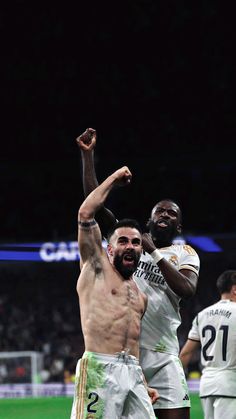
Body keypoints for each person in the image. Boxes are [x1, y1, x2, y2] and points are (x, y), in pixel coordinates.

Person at [76, 128, 201, 419]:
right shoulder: (129, 243)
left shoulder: (184, 253)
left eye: (172, 214)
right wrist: (88, 157)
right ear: (149, 219)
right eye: (160, 211)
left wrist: (153, 252)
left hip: (165, 352)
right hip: (127, 351)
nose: (165, 215)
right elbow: (94, 205)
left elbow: (186, 289)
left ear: (179, 227)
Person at [70, 164, 158, 419]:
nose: (130, 246)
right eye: (122, 241)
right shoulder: (95, 267)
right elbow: (86, 212)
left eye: (135, 242)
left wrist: (140, 380)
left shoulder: (140, 296)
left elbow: (132, 345)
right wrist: (114, 178)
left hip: (132, 373)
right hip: (99, 367)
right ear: (109, 249)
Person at [179, 270, 236, 419]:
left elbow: (185, 354)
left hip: (206, 385)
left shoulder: (202, 315)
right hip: (230, 384)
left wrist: (176, 385)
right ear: (234, 289)